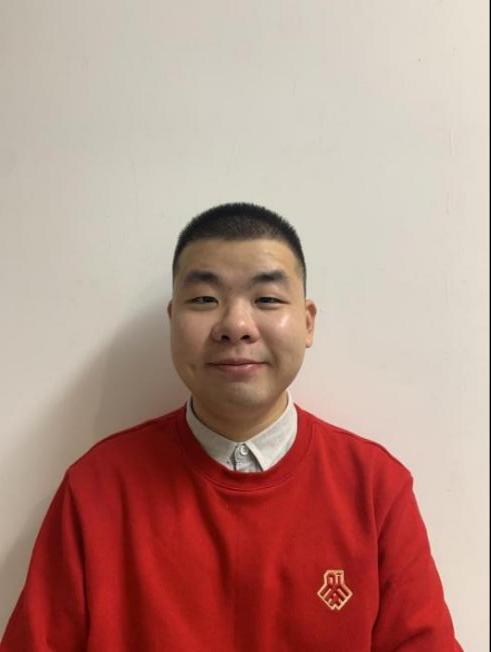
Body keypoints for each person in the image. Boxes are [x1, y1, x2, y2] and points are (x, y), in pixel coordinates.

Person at [1, 203, 462, 651]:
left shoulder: (375, 487)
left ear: (307, 323)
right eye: (205, 299)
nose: (236, 325)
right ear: (173, 320)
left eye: (267, 299)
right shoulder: (97, 488)